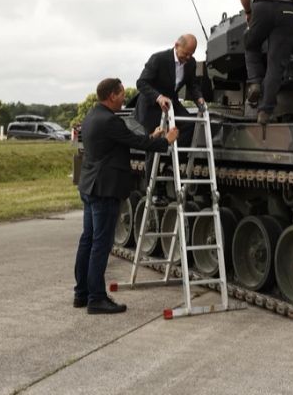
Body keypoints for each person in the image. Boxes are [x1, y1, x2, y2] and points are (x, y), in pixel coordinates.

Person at [74, 78, 179, 314]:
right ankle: (97, 298)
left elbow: (123, 143)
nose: (124, 98)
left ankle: (81, 293)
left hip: (90, 187)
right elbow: (133, 142)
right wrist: (165, 141)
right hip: (104, 190)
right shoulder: (111, 121)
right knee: (101, 244)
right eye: (121, 94)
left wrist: (151, 137)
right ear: (112, 95)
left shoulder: (93, 116)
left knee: (88, 240)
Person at [134, 34, 207, 144]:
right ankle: (158, 153)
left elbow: (193, 85)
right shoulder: (158, 59)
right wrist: (159, 97)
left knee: (190, 124)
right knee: (153, 144)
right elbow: (141, 83)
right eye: (186, 53)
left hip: (171, 103)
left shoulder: (191, 63)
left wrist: (199, 98)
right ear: (177, 46)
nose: (188, 57)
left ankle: (172, 156)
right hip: (151, 106)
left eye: (191, 54)